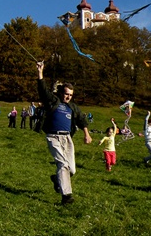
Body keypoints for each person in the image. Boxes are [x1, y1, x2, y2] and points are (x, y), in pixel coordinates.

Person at [36, 61, 92, 205]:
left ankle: (57, 179)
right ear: (61, 93)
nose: (68, 97)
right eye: (66, 94)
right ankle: (66, 196)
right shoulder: (53, 101)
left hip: (67, 139)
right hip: (53, 137)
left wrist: (87, 134)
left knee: (71, 170)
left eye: (71, 95)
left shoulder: (72, 107)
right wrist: (40, 72)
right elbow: (43, 91)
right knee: (63, 165)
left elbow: (81, 119)